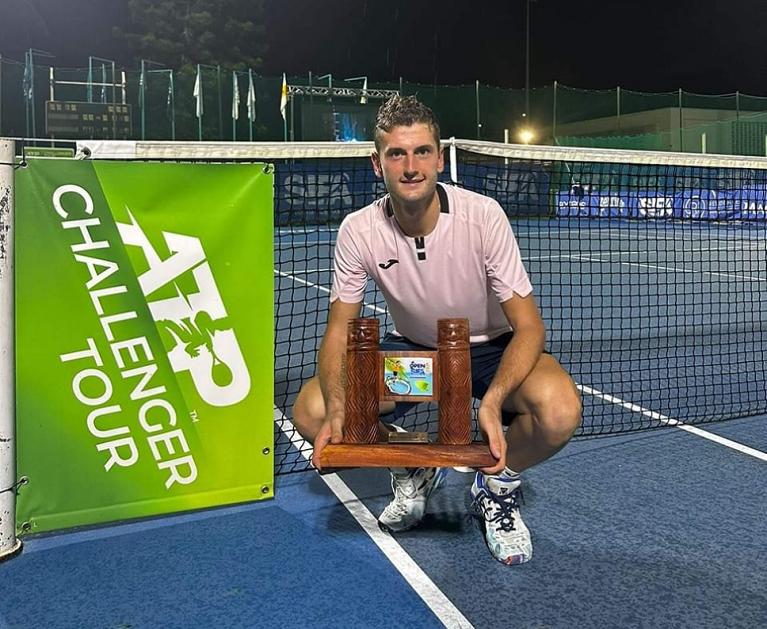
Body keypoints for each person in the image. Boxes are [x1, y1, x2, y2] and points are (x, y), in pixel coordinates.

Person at [292, 95, 582, 565]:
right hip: (416, 358)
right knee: (313, 410)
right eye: (396, 153)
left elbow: (528, 327)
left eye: (421, 151)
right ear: (377, 163)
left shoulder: (483, 216)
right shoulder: (358, 230)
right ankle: (416, 462)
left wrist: (490, 403)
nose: (410, 166)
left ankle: (497, 481)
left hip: (489, 352)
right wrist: (345, 408)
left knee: (559, 411)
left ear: (440, 158)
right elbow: (338, 330)